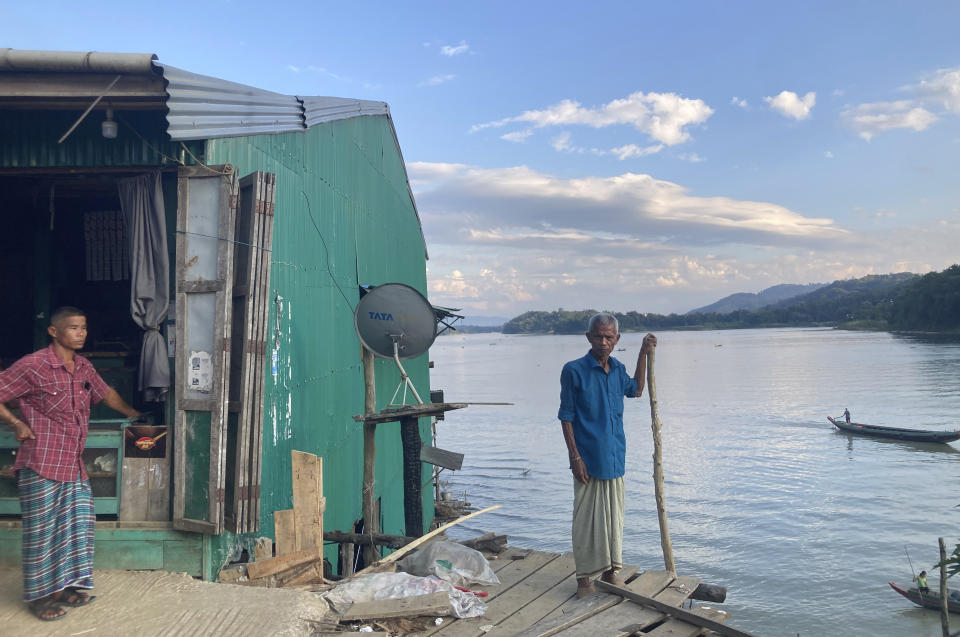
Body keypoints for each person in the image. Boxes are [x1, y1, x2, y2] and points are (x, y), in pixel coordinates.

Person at [0, 307, 141, 621]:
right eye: (74, 327)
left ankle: (63, 587)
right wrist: (15, 423)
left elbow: (107, 394)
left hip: (73, 464)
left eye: (84, 327)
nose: (81, 333)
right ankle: (39, 598)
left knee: (76, 528)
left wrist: (135, 415)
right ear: (54, 331)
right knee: (42, 533)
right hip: (41, 462)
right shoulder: (33, 365)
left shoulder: (83, 367)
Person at [558, 312, 656, 598]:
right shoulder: (573, 370)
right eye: (598, 336)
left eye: (609, 337)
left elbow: (636, 390)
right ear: (589, 337)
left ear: (616, 340)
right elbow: (566, 416)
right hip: (587, 459)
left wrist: (644, 354)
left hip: (615, 456)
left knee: (614, 518)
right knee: (587, 521)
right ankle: (584, 579)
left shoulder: (617, 369)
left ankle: (611, 572)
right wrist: (574, 457)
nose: (603, 342)